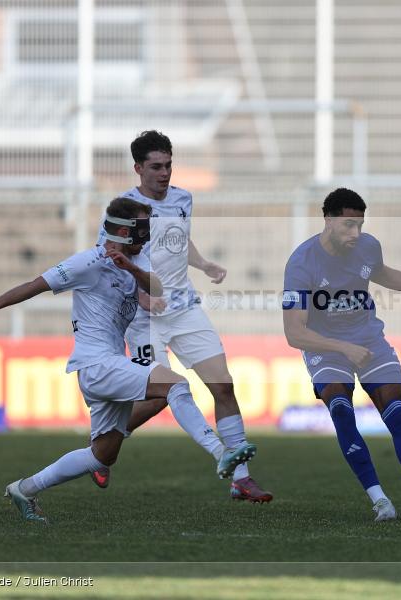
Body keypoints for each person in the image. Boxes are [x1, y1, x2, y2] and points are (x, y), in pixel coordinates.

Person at [0, 197, 255, 523]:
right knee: (176, 385)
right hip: (96, 364)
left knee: (102, 454)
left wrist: (131, 269)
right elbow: (36, 285)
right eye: (142, 228)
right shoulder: (87, 262)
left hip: (109, 364)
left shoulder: (136, 258)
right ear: (122, 230)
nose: (147, 235)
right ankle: (221, 453)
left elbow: (157, 286)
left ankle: (25, 489)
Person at [90, 130, 272, 503]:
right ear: (138, 168)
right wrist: (139, 294)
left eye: (169, 165)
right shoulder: (123, 208)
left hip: (184, 306)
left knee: (223, 385)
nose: (164, 173)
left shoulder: (183, 198)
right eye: (156, 166)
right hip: (144, 318)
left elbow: (178, 240)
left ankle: (241, 478)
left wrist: (203, 264)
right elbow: (107, 258)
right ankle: (100, 447)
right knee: (158, 397)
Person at [282, 187, 401, 521]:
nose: (356, 233)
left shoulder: (367, 246)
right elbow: (295, 333)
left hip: (368, 338)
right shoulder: (301, 264)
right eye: (348, 225)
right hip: (325, 346)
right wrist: (342, 348)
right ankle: (380, 501)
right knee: (341, 410)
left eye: (360, 225)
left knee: (395, 412)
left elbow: (382, 272)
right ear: (328, 220)